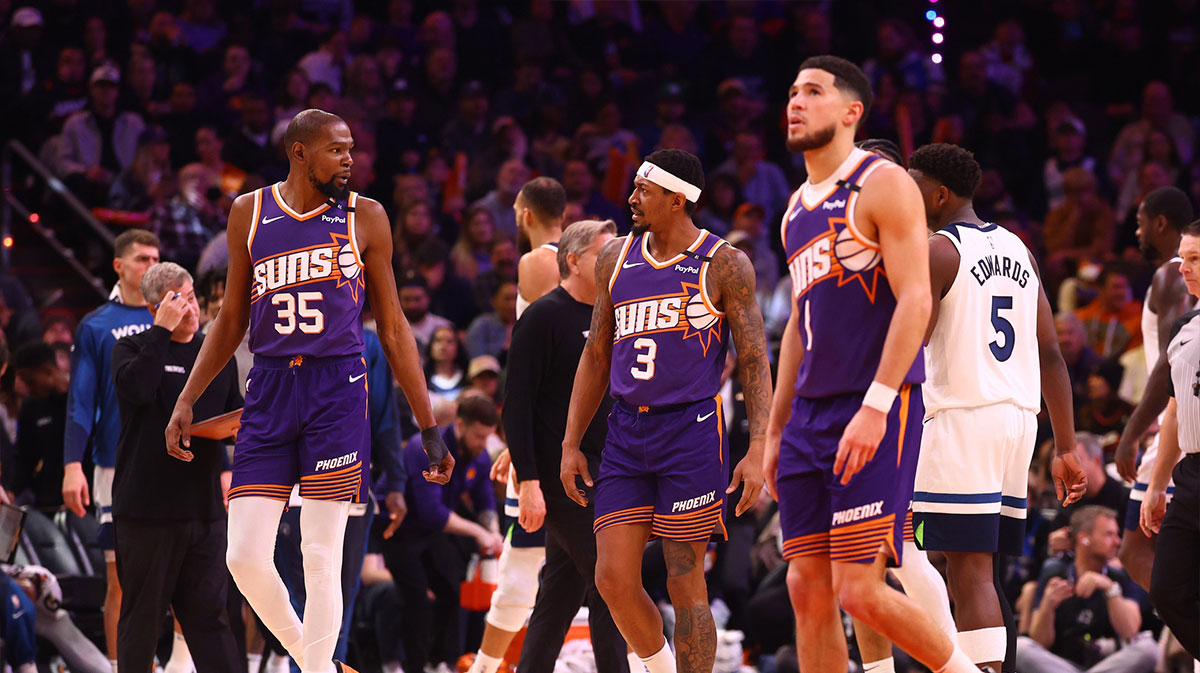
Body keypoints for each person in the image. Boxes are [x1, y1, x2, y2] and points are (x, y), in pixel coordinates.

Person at [165, 109, 453, 673]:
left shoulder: (366, 216)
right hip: (269, 386)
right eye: (338, 150)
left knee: (320, 556)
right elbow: (229, 322)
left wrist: (428, 426)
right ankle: (320, 665)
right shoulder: (248, 212)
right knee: (244, 556)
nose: (351, 160)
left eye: (352, 150)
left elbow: (392, 329)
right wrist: (187, 399)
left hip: (337, 389)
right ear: (300, 152)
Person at [762, 56, 977, 673]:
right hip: (808, 415)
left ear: (852, 112)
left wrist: (877, 405)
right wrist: (775, 431)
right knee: (806, 587)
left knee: (860, 588)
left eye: (814, 92)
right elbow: (799, 333)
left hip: (874, 405)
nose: (796, 102)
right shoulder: (794, 210)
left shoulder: (882, 182)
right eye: (793, 91)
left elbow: (916, 296)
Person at [562, 148, 771, 673]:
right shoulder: (615, 258)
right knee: (611, 578)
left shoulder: (724, 262)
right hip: (627, 432)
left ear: (678, 199)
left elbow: (753, 359)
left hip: (692, 431)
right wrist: (570, 443)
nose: (631, 199)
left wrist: (760, 446)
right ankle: (658, 668)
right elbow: (595, 356)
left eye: (643, 190)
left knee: (685, 578)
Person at [908, 142, 1087, 672]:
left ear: (938, 194)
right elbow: (1051, 354)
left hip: (964, 416)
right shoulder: (1020, 250)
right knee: (972, 569)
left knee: (956, 568)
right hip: (1017, 421)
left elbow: (908, 347)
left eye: (911, 184)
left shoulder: (939, 250)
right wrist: (1067, 447)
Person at [111, 262, 242, 673]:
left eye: (190, 297)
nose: (190, 307)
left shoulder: (215, 353)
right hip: (147, 510)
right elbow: (138, 389)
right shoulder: (131, 349)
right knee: (142, 620)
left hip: (204, 511)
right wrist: (160, 334)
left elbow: (234, 417)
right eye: (178, 300)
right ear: (155, 308)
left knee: (210, 618)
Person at [463, 177, 568, 673]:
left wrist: (526, 439)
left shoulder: (537, 261)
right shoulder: (570, 258)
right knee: (526, 564)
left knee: (525, 566)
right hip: (558, 431)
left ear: (523, 213)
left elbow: (544, 365)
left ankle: (485, 667)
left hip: (553, 435)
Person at [62, 228, 159, 673]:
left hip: (172, 465)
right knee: (120, 580)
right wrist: (71, 466)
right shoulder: (96, 325)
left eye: (156, 258)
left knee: (178, 575)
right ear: (119, 266)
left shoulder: (181, 317)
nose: (151, 266)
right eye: (142, 259)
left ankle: (173, 664)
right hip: (114, 466)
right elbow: (82, 401)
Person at [1113, 186, 1196, 590]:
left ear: (1160, 222)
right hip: (1182, 418)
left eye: (1140, 223)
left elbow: (1171, 361)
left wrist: (1131, 434)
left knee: (1135, 549)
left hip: (1180, 422)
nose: (1137, 233)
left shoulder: (1171, 274)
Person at [384, 395, 503, 673]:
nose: (483, 444)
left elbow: (484, 500)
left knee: (451, 590)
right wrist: (478, 532)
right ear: (461, 424)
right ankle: (410, 666)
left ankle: (439, 662)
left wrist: (493, 532)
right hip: (398, 528)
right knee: (419, 601)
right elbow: (431, 512)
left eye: (488, 437)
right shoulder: (425, 449)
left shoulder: (479, 456)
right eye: (478, 436)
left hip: (430, 533)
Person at [1140, 218, 1200, 661]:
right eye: (1183, 258)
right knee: (1167, 591)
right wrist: (1158, 485)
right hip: (1192, 476)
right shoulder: (1185, 330)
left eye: (1195, 259)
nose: (1183, 268)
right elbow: (1175, 413)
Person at [1017, 506, 1156, 673]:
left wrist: (1110, 589)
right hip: (1062, 663)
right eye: (1109, 534)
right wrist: (1047, 607)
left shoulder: (1121, 576)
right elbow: (1040, 642)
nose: (1117, 541)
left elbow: (1130, 631)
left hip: (1108, 664)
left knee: (1148, 649)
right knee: (1021, 647)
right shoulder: (1054, 572)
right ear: (1084, 539)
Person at [514, 176, 567, 316]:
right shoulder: (581, 254)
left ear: (527, 216)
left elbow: (546, 328)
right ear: (563, 216)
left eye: (516, 212)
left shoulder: (537, 260)